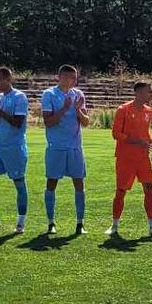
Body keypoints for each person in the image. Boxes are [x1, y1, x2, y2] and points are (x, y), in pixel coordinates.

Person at [110, 80, 152, 237]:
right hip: (125, 158)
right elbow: (116, 134)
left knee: (149, 189)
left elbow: (147, 134)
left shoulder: (149, 111)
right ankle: (114, 225)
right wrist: (136, 141)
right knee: (121, 191)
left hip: (143, 158)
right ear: (138, 92)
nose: (151, 94)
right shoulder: (123, 110)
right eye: (148, 91)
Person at [41, 64, 90, 235]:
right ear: (61, 77)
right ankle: (51, 223)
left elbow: (85, 122)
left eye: (75, 78)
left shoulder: (79, 94)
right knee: (51, 183)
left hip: (75, 147)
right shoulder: (49, 94)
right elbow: (48, 122)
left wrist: (78, 110)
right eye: (72, 77)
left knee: (79, 184)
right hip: (56, 147)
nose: (75, 80)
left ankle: (80, 223)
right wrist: (64, 108)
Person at [0, 67, 30, 233]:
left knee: (19, 183)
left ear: (8, 79)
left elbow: (17, 122)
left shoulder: (20, 97)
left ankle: (21, 222)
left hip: (14, 147)